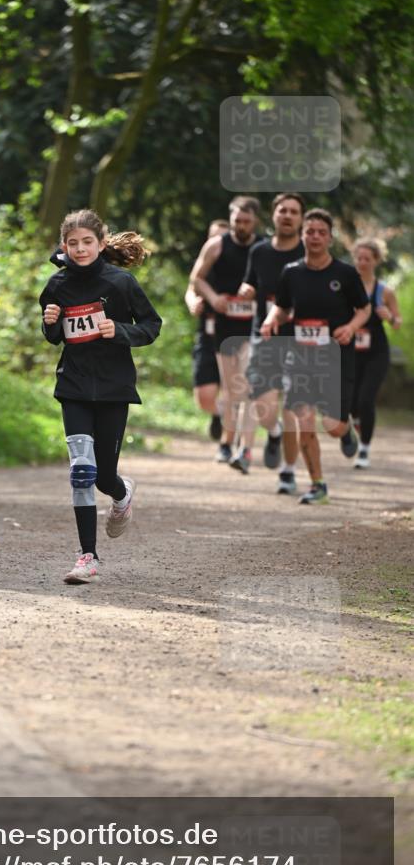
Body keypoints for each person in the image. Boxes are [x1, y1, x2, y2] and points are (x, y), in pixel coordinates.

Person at [40, 209, 162, 584]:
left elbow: (151, 326)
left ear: (101, 243)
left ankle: (122, 492)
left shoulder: (121, 282)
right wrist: (50, 323)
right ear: (64, 245)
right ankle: (87, 556)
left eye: (87, 242)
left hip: (113, 387)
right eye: (72, 243)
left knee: (103, 476)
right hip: (74, 385)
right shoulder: (57, 284)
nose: (79, 249)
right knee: (81, 470)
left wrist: (120, 330)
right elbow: (54, 336)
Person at [261, 209, 371, 504]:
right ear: (303, 235)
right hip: (301, 358)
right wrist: (272, 319)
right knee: (304, 419)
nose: (315, 237)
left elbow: (364, 309)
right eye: (310, 231)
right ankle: (318, 485)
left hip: (336, 358)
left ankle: (346, 432)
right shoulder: (292, 272)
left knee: (333, 426)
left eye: (322, 232)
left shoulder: (345, 274)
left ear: (330, 238)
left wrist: (351, 327)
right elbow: (282, 307)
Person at [231, 193, 305, 491]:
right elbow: (250, 281)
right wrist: (247, 289)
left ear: (301, 218)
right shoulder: (259, 252)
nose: (287, 216)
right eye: (282, 210)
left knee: (294, 406)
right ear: (273, 216)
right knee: (262, 404)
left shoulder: (307, 252)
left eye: (294, 212)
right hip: (264, 335)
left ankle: (288, 471)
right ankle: (273, 432)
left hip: (301, 339)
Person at [191, 197, 260, 463]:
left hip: (254, 326)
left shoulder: (263, 248)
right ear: (231, 220)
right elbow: (196, 278)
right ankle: (226, 443)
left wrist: (256, 291)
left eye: (246, 222)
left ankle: (245, 448)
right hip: (225, 326)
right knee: (232, 390)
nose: (241, 226)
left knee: (249, 385)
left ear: (255, 221)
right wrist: (213, 297)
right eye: (237, 222)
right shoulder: (217, 245)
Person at [350, 239, 402, 469]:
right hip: (351, 349)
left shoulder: (384, 290)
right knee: (351, 402)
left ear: (376, 261)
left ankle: (364, 449)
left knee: (366, 399)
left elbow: (398, 322)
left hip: (376, 351)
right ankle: (358, 423)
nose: (362, 263)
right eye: (359, 258)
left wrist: (388, 317)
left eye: (367, 259)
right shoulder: (347, 286)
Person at [185, 219, 229, 442]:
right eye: (213, 236)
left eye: (222, 237)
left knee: (235, 390)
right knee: (204, 397)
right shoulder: (203, 263)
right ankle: (217, 413)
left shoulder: (242, 263)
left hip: (236, 336)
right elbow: (191, 289)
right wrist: (192, 302)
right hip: (208, 333)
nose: (216, 242)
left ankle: (232, 442)